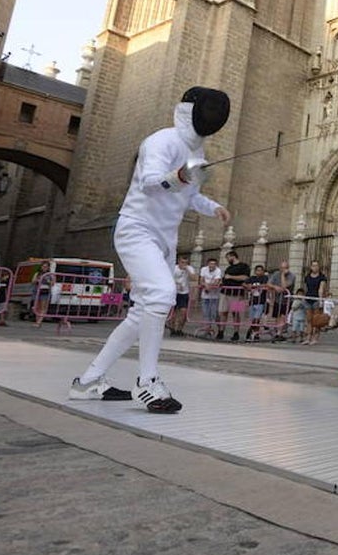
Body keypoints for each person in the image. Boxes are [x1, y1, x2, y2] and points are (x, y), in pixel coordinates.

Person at [69, 86, 231, 412]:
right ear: (191, 110)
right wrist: (181, 175)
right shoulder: (161, 141)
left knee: (140, 313)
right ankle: (147, 382)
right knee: (161, 294)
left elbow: (189, 195)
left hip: (164, 240)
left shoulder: (196, 152)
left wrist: (213, 207)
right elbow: (151, 182)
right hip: (137, 229)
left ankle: (88, 382)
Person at [218, 250, 250, 341]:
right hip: (225, 292)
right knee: (223, 312)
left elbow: (245, 277)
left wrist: (231, 277)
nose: (227, 260)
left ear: (233, 256)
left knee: (236, 313)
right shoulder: (229, 268)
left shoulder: (244, 266)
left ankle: (236, 332)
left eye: (228, 258)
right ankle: (221, 331)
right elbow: (225, 278)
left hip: (237, 294)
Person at [267, 260, 297, 342]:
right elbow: (268, 283)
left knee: (283, 316)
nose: (284, 269)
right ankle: (278, 332)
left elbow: (284, 287)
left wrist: (283, 275)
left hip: (286, 300)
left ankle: (279, 332)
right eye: (282, 268)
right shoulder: (276, 274)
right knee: (277, 316)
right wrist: (275, 287)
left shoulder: (291, 276)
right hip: (277, 299)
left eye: (286, 268)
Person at [169, 256, 194, 336]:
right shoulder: (174, 268)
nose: (184, 264)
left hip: (184, 293)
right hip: (174, 292)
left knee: (183, 312)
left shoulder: (189, 268)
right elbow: (168, 279)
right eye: (182, 262)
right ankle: (172, 329)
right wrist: (176, 284)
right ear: (179, 262)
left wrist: (187, 270)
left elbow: (194, 278)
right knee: (173, 312)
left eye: (186, 263)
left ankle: (179, 329)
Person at [244, 264, 270, 341]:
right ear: (255, 271)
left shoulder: (265, 278)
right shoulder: (252, 278)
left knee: (257, 318)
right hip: (252, 301)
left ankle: (251, 330)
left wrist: (256, 286)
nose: (259, 272)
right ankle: (255, 333)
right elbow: (244, 283)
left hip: (261, 301)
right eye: (258, 270)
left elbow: (265, 284)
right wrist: (247, 286)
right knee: (253, 318)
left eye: (261, 270)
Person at [198, 257, 223, 335]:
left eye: (214, 264)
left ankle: (220, 328)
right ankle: (207, 329)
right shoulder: (204, 269)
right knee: (206, 313)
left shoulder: (218, 270)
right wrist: (206, 285)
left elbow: (217, 281)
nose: (212, 265)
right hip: (205, 295)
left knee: (214, 314)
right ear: (208, 264)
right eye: (211, 264)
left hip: (215, 295)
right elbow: (201, 280)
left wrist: (209, 286)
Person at [32, 261, 52, 327]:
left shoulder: (50, 274)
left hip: (45, 291)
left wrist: (48, 281)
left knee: (43, 307)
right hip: (37, 291)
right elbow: (33, 281)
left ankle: (39, 322)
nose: (44, 268)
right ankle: (37, 321)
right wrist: (37, 280)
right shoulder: (37, 273)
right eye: (43, 266)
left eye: (46, 267)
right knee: (37, 307)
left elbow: (53, 283)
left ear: (48, 267)